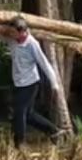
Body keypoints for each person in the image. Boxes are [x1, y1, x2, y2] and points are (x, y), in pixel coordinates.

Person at [6, 15, 63, 144]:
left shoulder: (32, 44)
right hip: (18, 83)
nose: (11, 34)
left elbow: (44, 63)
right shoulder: (12, 40)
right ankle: (54, 131)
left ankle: (19, 144)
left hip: (31, 83)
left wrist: (54, 84)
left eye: (13, 32)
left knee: (19, 112)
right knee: (29, 115)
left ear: (21, 32)